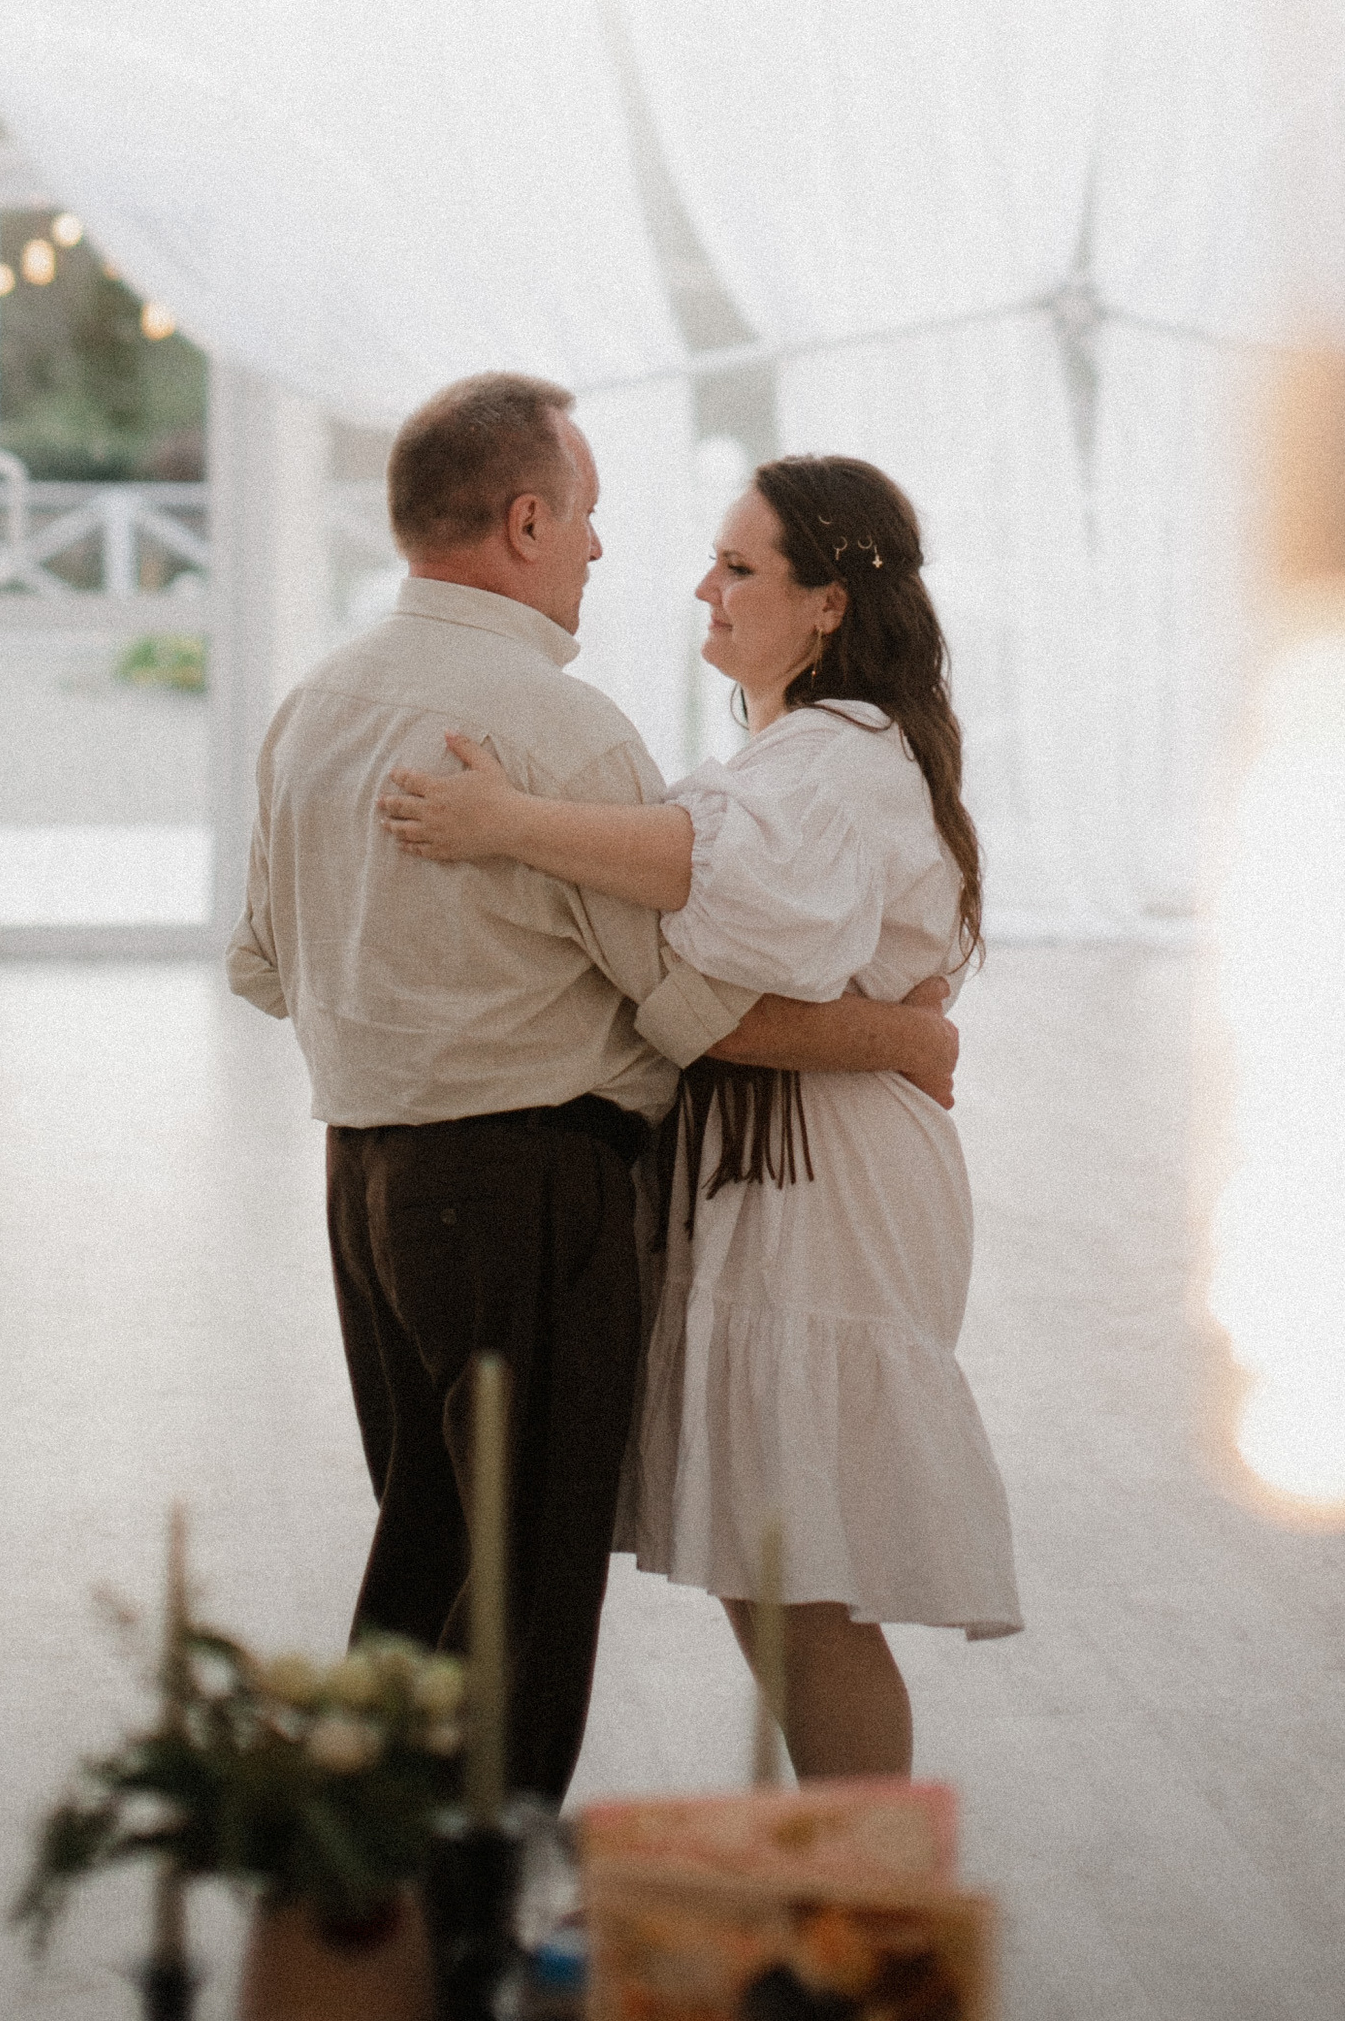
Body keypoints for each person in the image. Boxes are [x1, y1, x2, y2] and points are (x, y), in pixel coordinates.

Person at [226, 374, 963, 1803]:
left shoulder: (314, 706)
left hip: (363, 1193)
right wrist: (905, 1042)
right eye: (588, 519)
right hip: (522, 1194)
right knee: (521, 1602)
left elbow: (264, 969)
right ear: (521, 521)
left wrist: (396, 999)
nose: (607, 555)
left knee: (427, 1551)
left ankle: (363, 1911)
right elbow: (692, 1003)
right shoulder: (566, 734)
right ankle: (466, 1920)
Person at [381, 450, 1021, 1781]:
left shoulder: (835, 760)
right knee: (774, 1575)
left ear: (831, 602)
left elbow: (706, 927)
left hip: (827, 1188)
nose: (702, 590)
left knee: (799, 1585)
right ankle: (856, 1882)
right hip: (789, 1170)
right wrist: (889, 1032)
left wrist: (507, 821)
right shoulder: (802, 754)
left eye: (739, 568)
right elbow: (701, 961)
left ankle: (869, 1896)